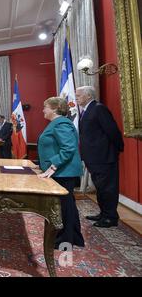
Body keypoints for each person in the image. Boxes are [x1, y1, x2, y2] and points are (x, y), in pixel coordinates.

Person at [37, 97, 85, 249]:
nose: (43, 110)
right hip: (62, 171)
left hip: (63, 172)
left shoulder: (61, 123)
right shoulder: (56, 123)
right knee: (67, 204)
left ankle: (64, 240)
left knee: (62, 206)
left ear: (54, 108)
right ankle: (73, 237)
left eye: (45, 107)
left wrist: (52, 167)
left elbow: (68, 148)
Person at [76, 86, 124, 228]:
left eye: (79, 95)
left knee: (108, 188)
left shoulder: (99, 108)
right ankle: (103, 213)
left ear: (88, 96)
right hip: (94, 158)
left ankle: (110, 217)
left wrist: (116, 150)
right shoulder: (87, 110)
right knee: (100, 187)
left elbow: (112, 131)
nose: (76, 97)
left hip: (104, 157)